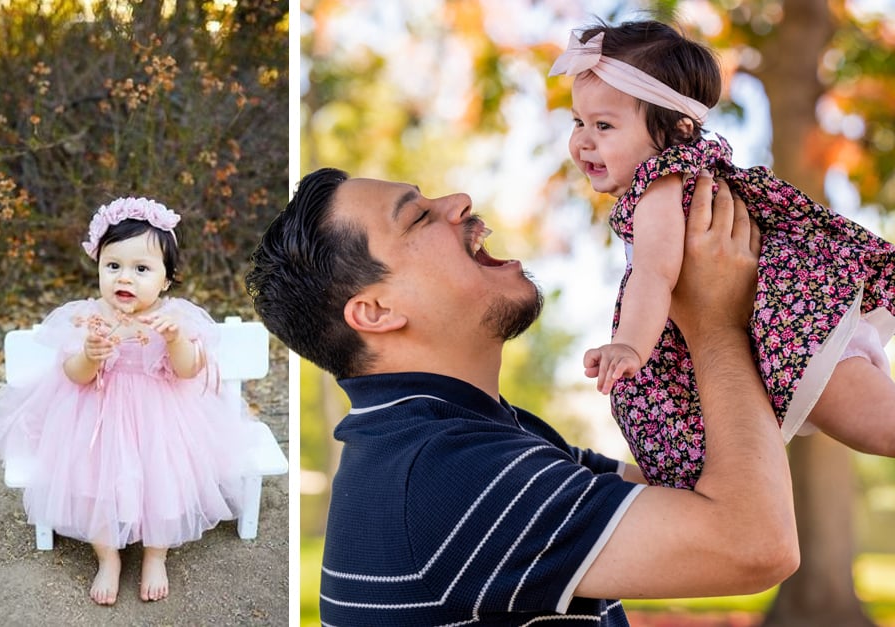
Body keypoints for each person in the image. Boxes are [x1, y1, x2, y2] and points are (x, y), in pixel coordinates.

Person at [248, 167, 798, 625]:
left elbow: (684, 487)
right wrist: (716, 324)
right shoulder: (445, 477)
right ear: (376, 312)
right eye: (417, 216)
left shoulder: (466, 439)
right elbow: (754, 543)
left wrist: (668, 295)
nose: (459, 201)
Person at [551, 20, 895, 488]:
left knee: (882, 426)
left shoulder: (659, 187)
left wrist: (630, 343)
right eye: (578, 121)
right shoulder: (690, 174)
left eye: (604, 125)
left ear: (676, 129)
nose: (583, 140)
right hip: (790, 326)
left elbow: (653, 274)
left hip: (794, 337)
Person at [0, 197, 251, 605]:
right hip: (97, 416)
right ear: (99, 266)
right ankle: (107, 557)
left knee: (165, 481)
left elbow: (189, 370)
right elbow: (73, 374)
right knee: (95, 483)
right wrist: (90, 354)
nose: (125, 277)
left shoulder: (175, 318)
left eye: (141, 269)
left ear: (166, 279)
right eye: (114, 266)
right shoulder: (89, 317)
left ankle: (156, 554)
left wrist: (175, 340)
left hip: (162, 416)